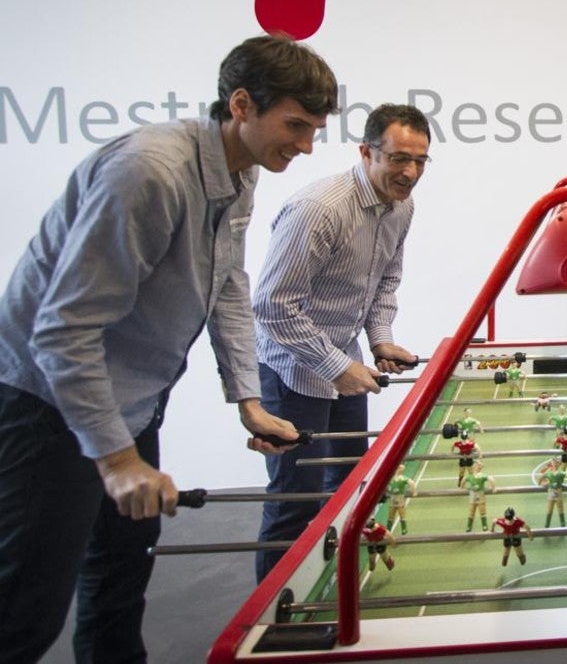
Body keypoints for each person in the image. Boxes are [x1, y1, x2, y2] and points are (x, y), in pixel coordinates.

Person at [0, 34, 336, 663]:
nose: (305, 145)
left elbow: (229, 286)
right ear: (241, 104)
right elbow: (63, 329)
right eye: (295, 125)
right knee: (24, 608)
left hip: (131, 401)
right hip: (49, 404)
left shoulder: (241, 173)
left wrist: (247, 398)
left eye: (314, 129)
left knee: (122, 573)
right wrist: (119, 462)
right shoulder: (149, 172)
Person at [252, 103, 428, 581]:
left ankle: (334, 591)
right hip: (292, 370)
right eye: (397, 159)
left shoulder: (402, 206)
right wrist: (336, 365)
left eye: (419, 161)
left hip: (344, 362)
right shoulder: (319, 209)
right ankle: (270, 624)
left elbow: (385, 279)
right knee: (296, 501)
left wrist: (381, 340)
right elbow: (272, 306)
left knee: (349, 488)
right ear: (367, 152)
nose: (409, 172)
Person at [463, 461, 496, 532]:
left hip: (478, 496)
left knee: (479, 512)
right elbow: (491, 479)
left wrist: (494, 488)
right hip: (476, 497)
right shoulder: (471, 476)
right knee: (474, 512)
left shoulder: (478, 476)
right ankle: (480, 527)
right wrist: (493, 488)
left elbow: (491, 479)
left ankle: (476, 527)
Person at [385, 464, 418, 534]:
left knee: (401, 514)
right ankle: (388, 529)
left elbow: (412, 483)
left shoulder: (402, 478)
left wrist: (414, 491)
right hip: (392, 499)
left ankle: (403, 529)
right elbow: (412, 483)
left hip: (399, 498)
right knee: (391, 515)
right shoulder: (391, 478)